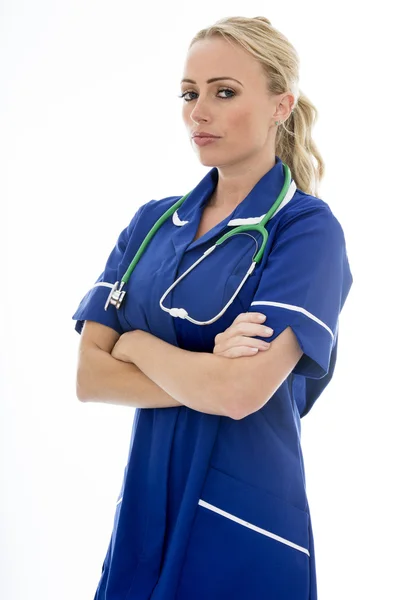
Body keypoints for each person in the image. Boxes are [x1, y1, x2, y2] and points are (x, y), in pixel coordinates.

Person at [72, 15, 353, 600]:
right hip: (148, 506)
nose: (198, 112)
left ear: (282, 104)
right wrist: (207, 371)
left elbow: (239, 394)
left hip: (246, 515)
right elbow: (89, 376)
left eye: (224, 92)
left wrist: (137, 345)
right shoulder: (151, 224)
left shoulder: (305, 230)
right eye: (189, 94)